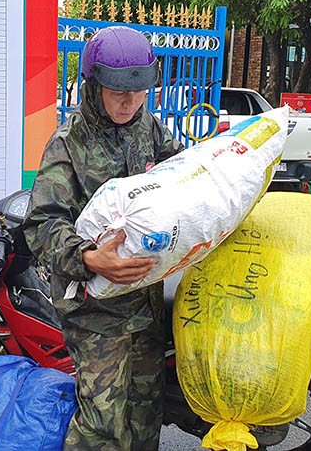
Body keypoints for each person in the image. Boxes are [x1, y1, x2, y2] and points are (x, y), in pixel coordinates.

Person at [23, 26, 184, 450]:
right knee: (102, 423)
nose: (129, 103)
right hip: (94, 307)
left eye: (139, 93)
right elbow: (43, 223)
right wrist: (91, 258)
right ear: (94, 86)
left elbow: (180, 182)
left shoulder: (148, 128)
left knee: (146, 412)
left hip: (145, 299)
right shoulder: (68, 143)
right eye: (118, 93)